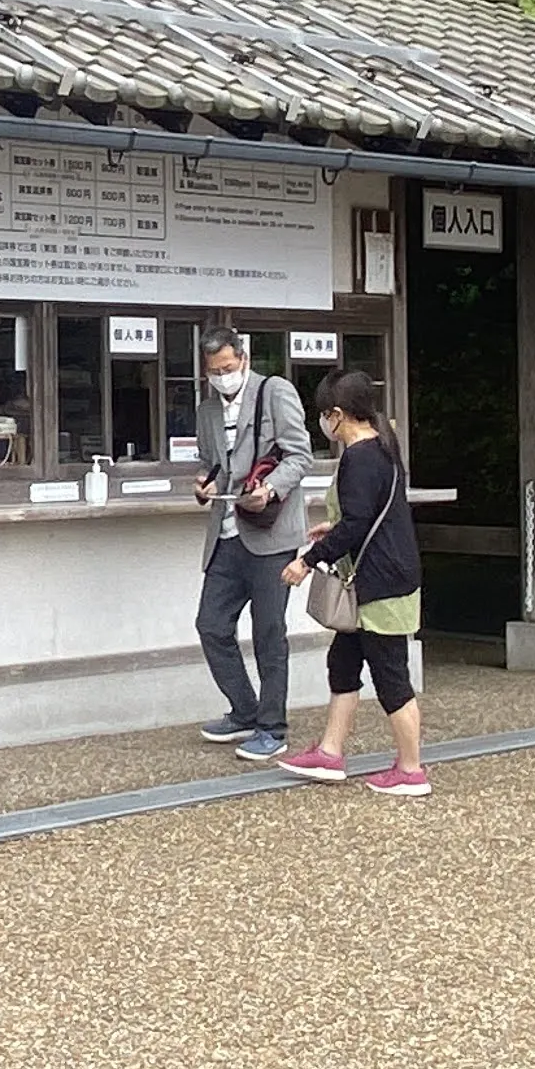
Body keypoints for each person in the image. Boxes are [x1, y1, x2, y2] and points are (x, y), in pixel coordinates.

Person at [280, 369, 429, 798]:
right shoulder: (383, 446)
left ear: (339, 414)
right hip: (378, 575)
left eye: (325, 415)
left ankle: (411, 769)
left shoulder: (360, 456)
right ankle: (330, 751)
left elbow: (359, 523)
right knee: (343, 663)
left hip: (381, 583)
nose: (323, 424)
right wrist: (336, 526)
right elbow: (368, 517)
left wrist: (307, 561)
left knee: (390, 675)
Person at [190, 330, 309, 760]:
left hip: (270, 532)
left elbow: (300, 455)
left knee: (269, 633)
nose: (222, 377)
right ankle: (245, 710)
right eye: (213, 372)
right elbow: (212, 462)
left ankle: (273, 728)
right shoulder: (206, 409)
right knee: (211, 625)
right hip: (224, 532)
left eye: (227, 368)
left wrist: (271, 489)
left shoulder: (274, 391)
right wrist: (204, 484)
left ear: (242, 358)